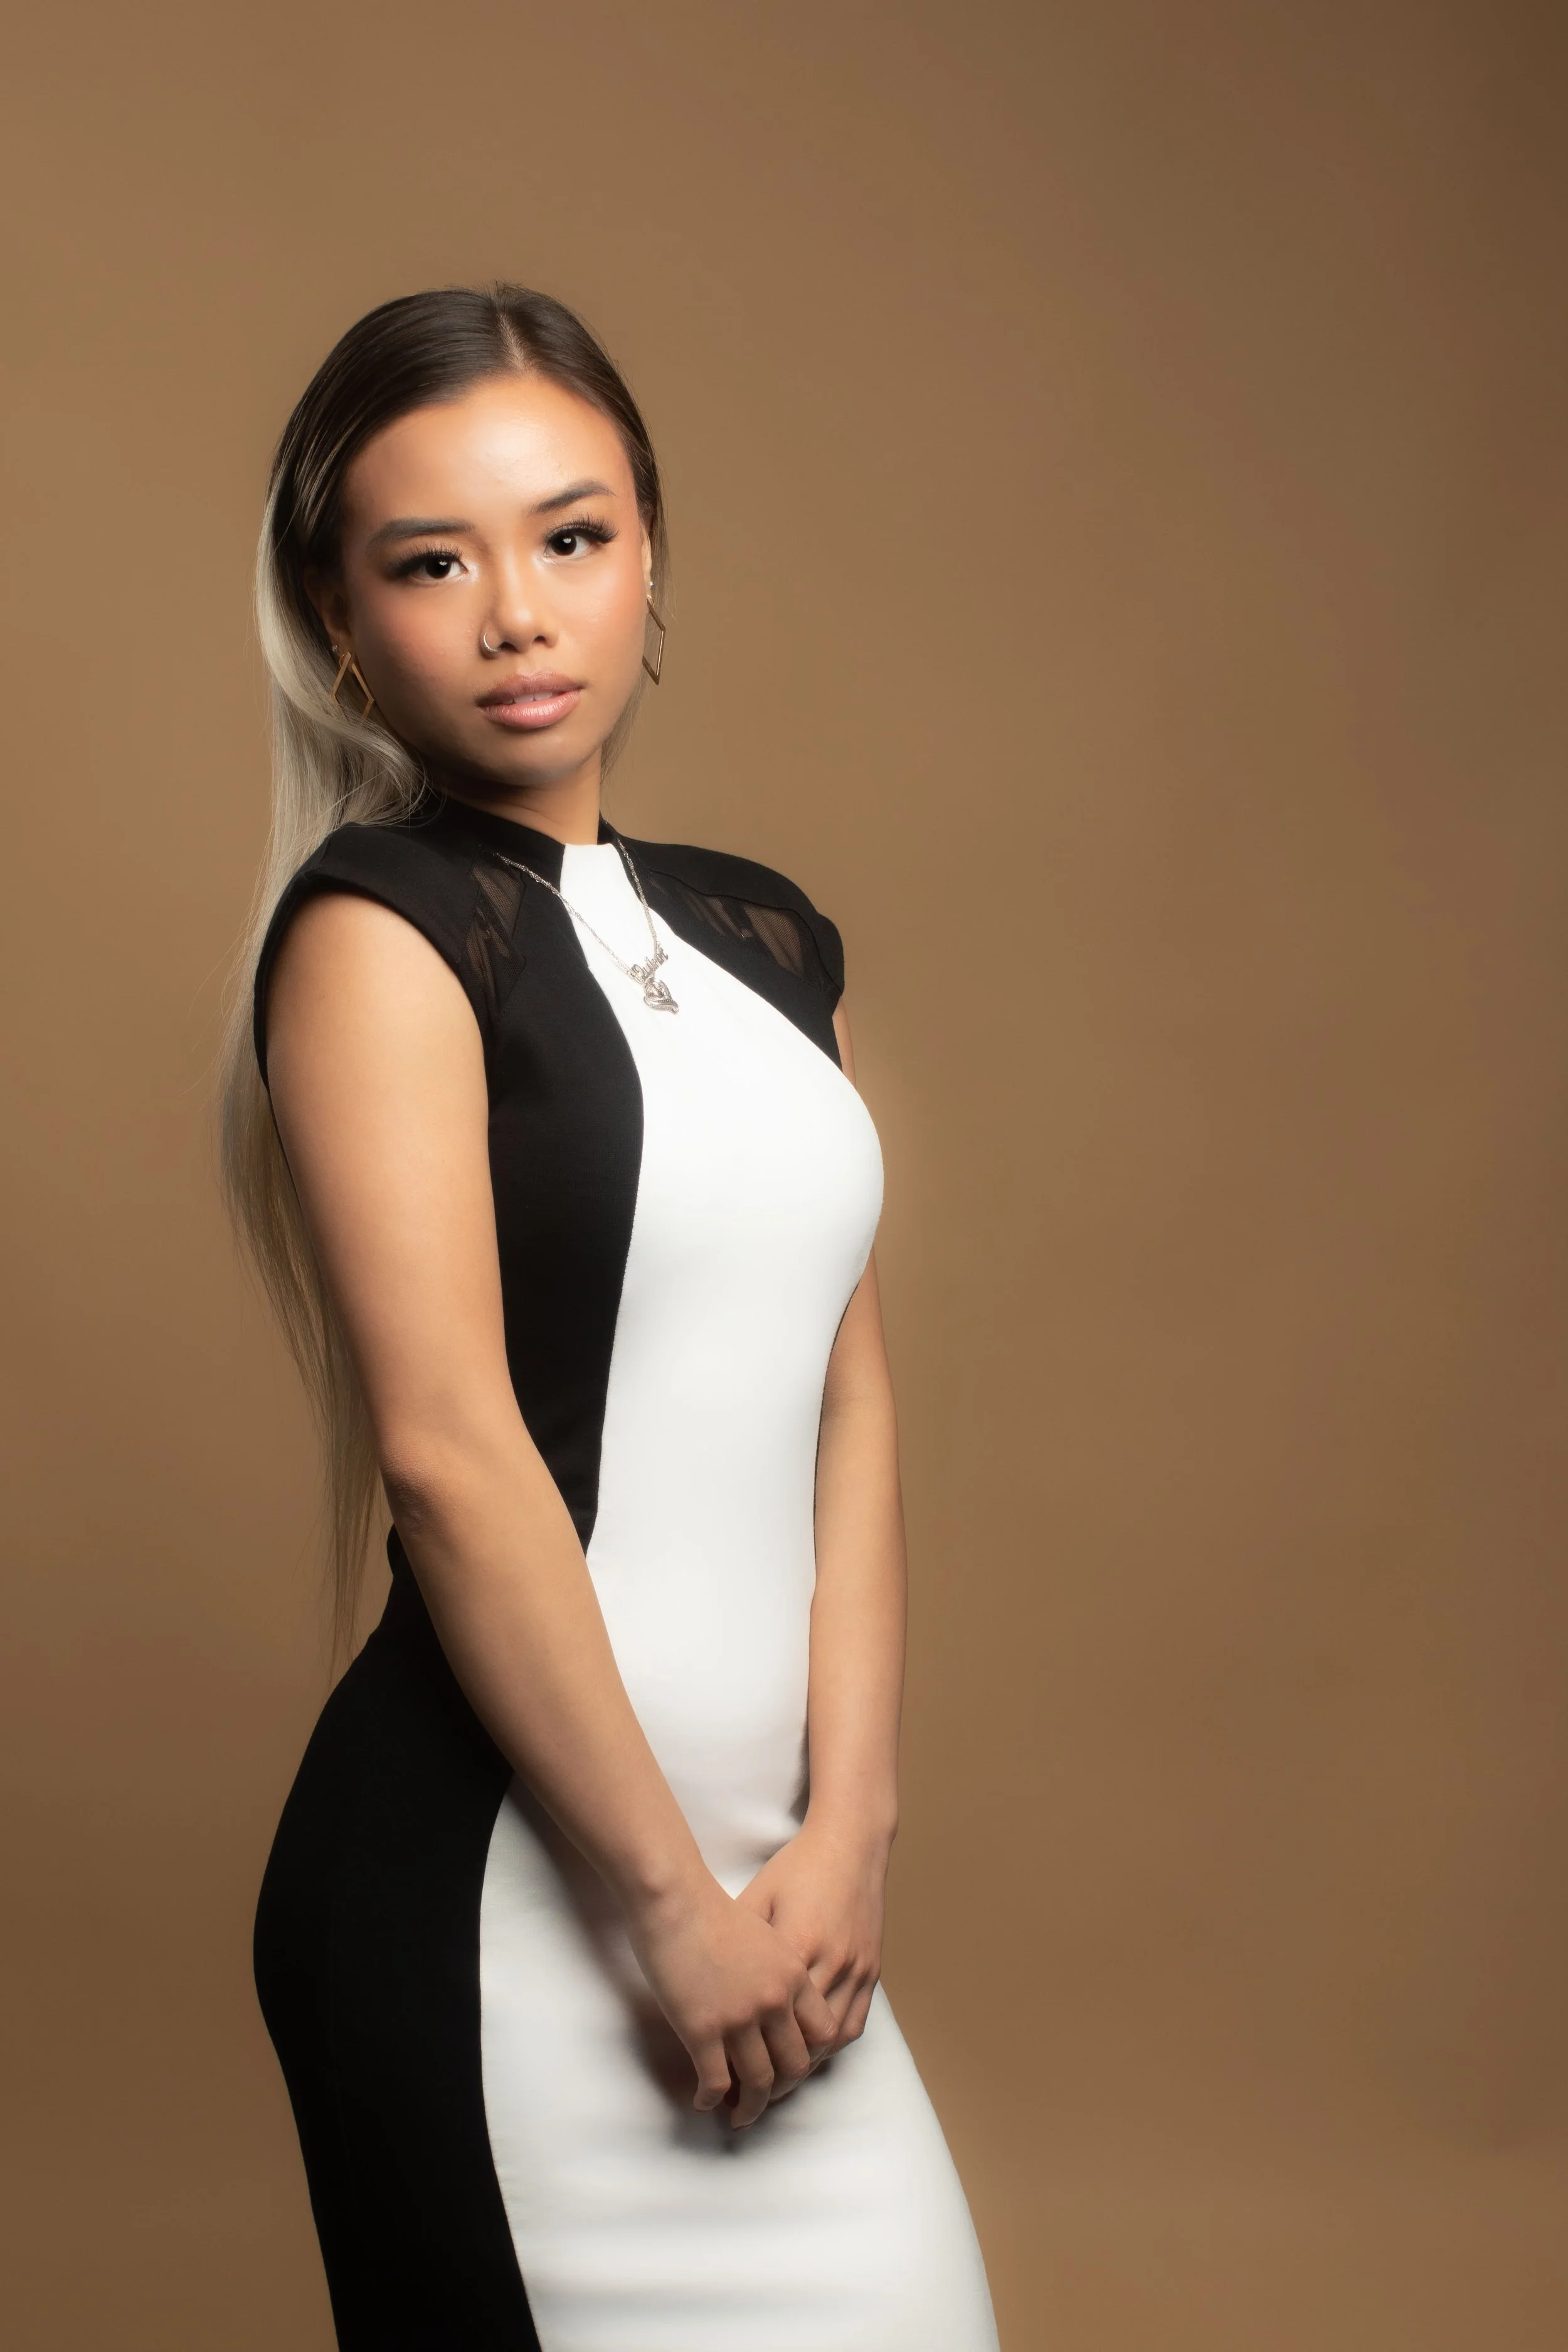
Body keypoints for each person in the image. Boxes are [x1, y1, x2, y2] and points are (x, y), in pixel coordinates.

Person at [221, 283, 999, 2351]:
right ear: (341, 618)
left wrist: (850, 1828)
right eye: (430, 562)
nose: (516, 614)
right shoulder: (379, 936)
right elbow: (448, 1456)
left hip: (782, 1900)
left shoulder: (767, 937)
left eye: (570, 536)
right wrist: (666, 1908)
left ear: (649, 553)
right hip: (513, 1918)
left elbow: (845, 1409)